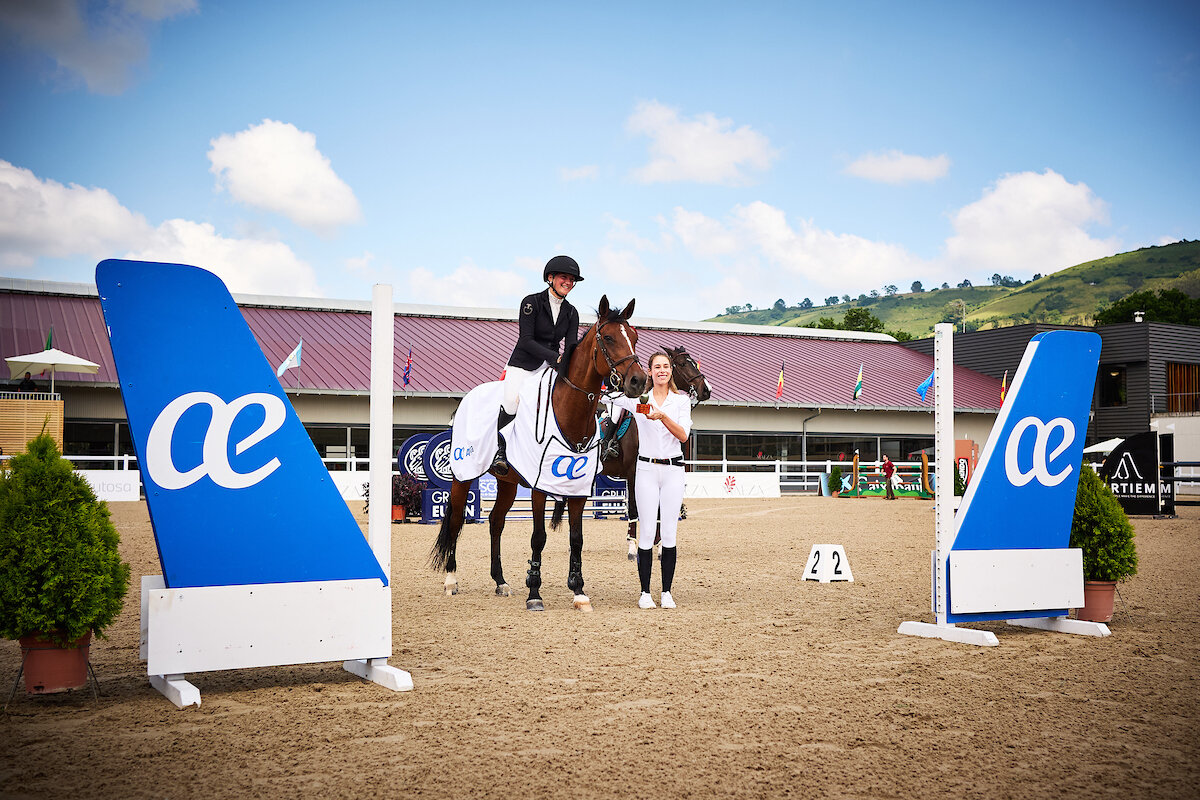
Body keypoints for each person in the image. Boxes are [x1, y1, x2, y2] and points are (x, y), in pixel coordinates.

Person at [603, 351, 692, 609]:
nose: (662, 370)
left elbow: (684, 436)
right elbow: (611, 397)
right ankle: (644, 593)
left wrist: (663, 416)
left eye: (666, 366)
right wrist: (612, 376)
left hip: (673, 470)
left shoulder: (681, 401)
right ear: (650, 372)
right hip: (646, 471)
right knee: (646, 533)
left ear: (670, 371)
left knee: (669, 533)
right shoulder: (641, 401)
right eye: (657, 367)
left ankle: (666, 592)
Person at [492, 255, 583, 475]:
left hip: (551, 367)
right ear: (550, 278)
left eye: (572, 279)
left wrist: (571, 363)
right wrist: (555, 358)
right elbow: (526, 340)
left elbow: (571, 346)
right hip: (523, 363)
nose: (568, 282)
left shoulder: (571, 312)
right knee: (511, 400)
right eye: (564, 277)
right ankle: (500, 452)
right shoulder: (531, 302)